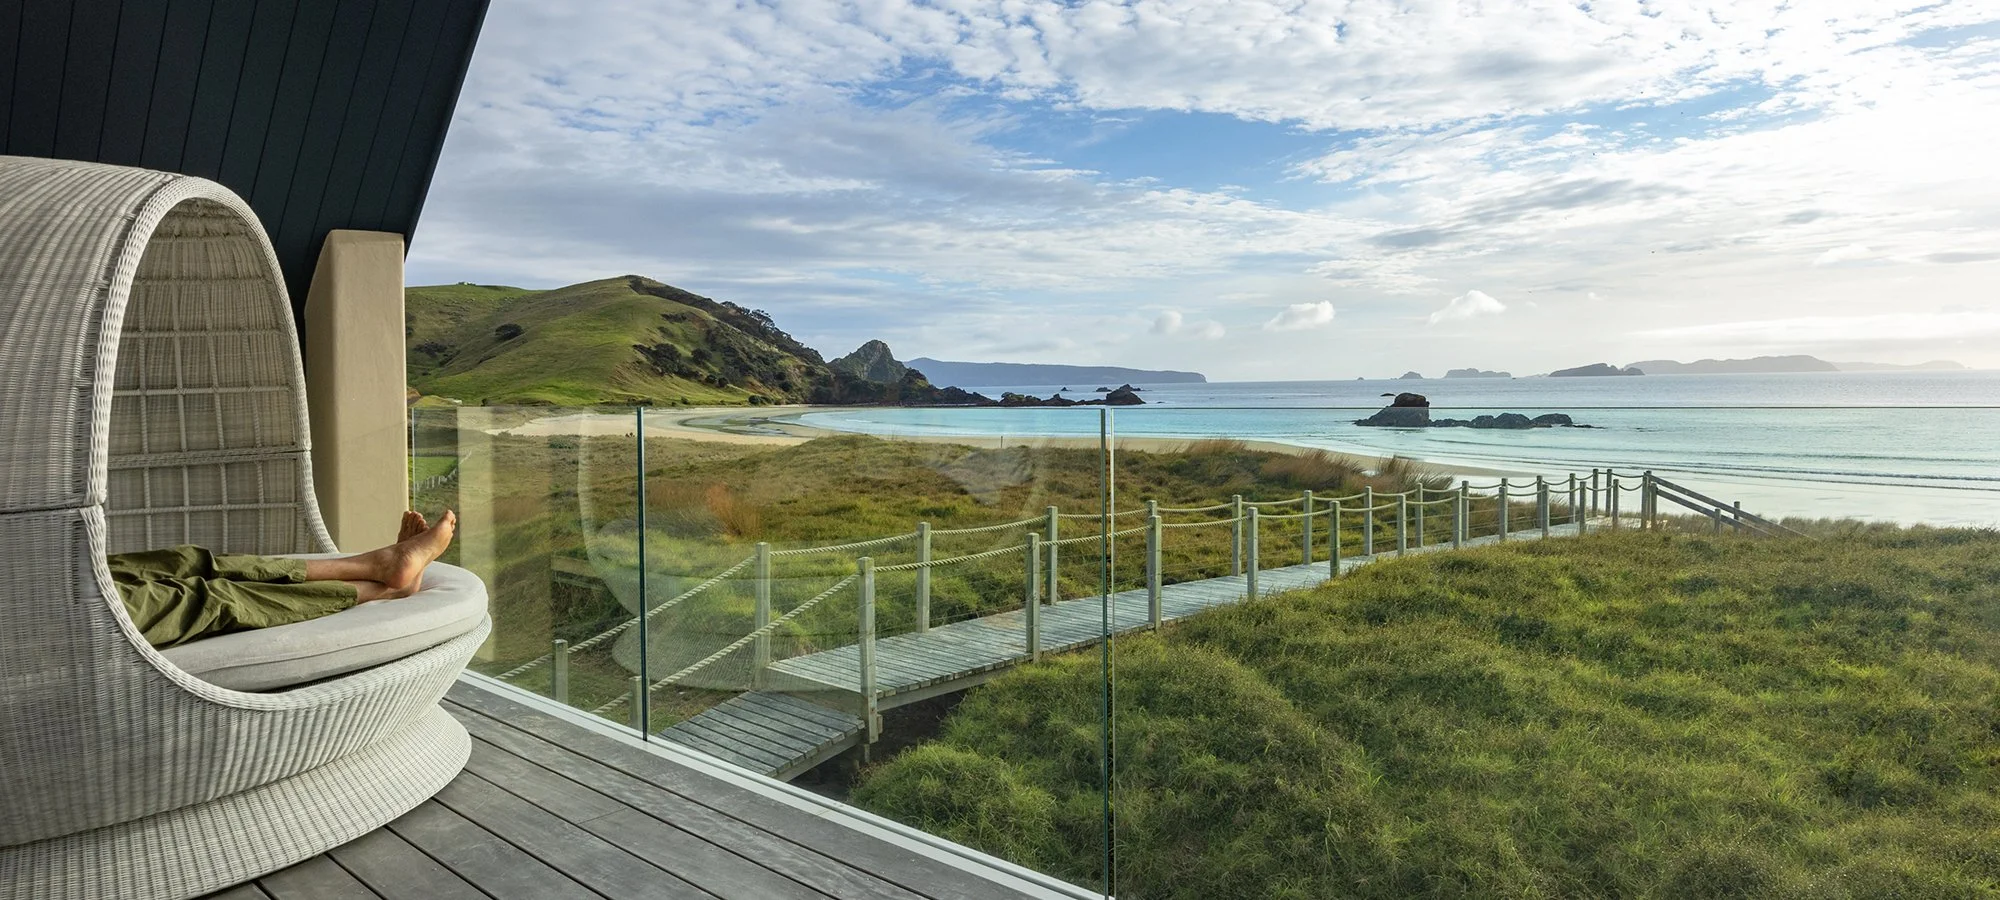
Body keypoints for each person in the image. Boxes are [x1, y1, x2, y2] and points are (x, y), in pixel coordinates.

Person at [112, 510, 458, 649]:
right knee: (207, 599)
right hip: (85, 631)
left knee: (187, 562)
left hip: (78, 586)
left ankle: (375, 566)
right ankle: (380, 586)